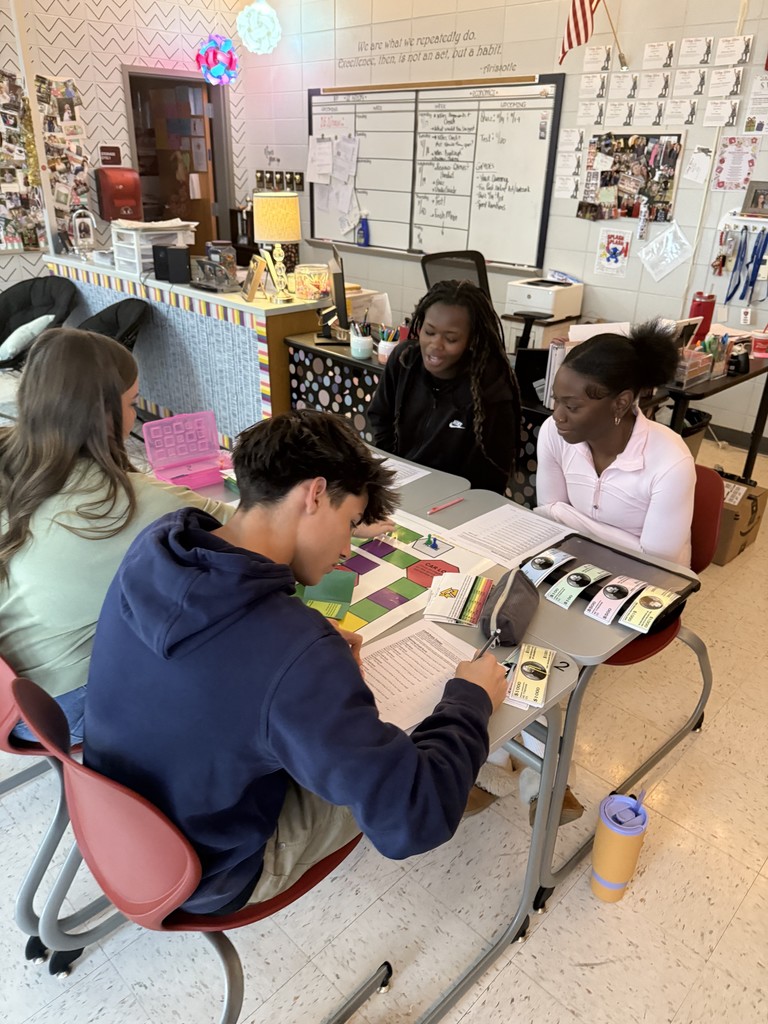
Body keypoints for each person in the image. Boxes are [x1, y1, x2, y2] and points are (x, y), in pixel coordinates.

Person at [83, 410, 508, 913]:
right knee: (407, 763)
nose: (348, 547)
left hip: (113, 819)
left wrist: (296, 639)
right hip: (210, 868)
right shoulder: (294, 651)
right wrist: (470, 700)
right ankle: (478, 779)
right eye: (350, 521)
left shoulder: (158, 548)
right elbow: (413, 821)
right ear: (313, 494)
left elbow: (227, 661)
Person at [0, 328, 234, 743]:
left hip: (10, 690)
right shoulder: (123, 500)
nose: (134, 415)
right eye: (131, 403)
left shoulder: (11, 452)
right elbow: (247, 530)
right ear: (102, 414)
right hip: (60, 706)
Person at [535, 320, 696, 567]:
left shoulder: (671, 461)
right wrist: (631, 542)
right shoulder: (554, 433)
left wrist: (565, 515)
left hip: (652, 581)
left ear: (621, 403)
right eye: (557, 400)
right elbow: (547, 515)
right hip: (575, 560)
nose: (557, 415)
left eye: (572, 406)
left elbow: (658, 562)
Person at [367, 280, 522, 493]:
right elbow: (380, 417)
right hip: (401, 486)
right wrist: (393, 468)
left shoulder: (489, 388)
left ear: (471, 340)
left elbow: (492, 476)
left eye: (451, 338)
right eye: (429, 332)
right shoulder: (404, 361)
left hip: (457, 499)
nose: (436, 345)